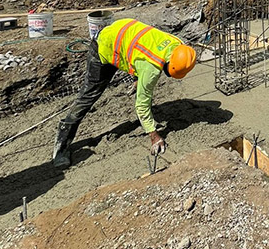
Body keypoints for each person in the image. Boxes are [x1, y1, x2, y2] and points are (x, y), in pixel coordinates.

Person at [53, 18, 196, 169]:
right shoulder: (151, 70)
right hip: (105, 45)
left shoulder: (177, 44)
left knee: (140, 62)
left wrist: (137, 77)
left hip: (123, 32)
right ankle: (61, 145)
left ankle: (136, 76)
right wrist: (154, 136)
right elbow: (141, 105)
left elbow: (142, 50)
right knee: (88, 96)